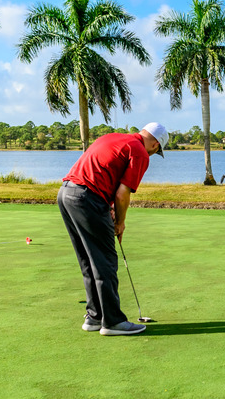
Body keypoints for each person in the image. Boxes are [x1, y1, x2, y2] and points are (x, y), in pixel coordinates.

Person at [58, 122, 168, 335]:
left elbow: (102, 173)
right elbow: (122, 194)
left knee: (88, 259)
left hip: (66, 193)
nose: (153, 154)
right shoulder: (140, 152)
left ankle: (94, 317)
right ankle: (113, 322)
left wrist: (106, 206)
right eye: (157, 150)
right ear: (155, 144)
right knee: (105, 261)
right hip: (86, 198)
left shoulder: (113, 137)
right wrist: (120, 222)